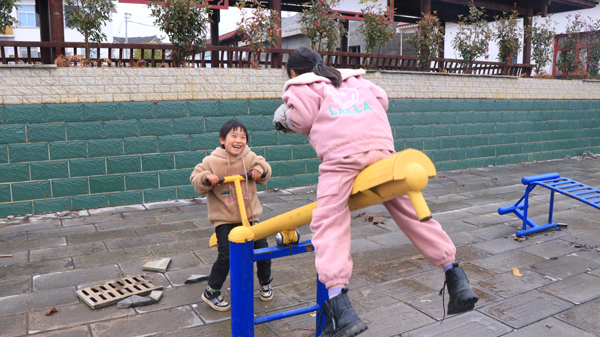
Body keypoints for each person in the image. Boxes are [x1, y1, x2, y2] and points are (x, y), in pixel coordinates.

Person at [273, 47, 478, 337]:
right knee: (409, 209)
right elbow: (382, 100)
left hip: (342, 158)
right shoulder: (354, 80)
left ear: (293, 72)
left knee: (329, 220)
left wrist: (285, 115)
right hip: (382, 152)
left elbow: (303, 119)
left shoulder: (303, 86)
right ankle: (455, 275)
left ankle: (340, 307)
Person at [190, 120, 273, 312]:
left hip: (251, 217)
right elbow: (196, 178)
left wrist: (258, 171)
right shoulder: (212, 161)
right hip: (225, 220)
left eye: (243, 137)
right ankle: (212, 290)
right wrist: (206, 178)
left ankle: (265, 282)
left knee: (262, 251)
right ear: (222, 140)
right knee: (226, 255)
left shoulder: (250, 157)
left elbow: (264, 166)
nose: (239, 140)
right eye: (233, 136)